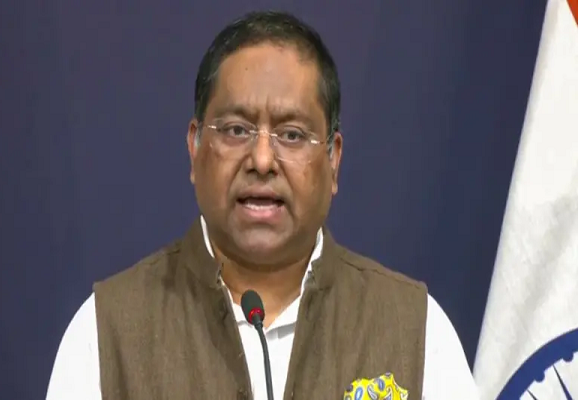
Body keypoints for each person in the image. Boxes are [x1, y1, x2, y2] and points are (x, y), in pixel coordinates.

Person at [46, 10, 478, 400]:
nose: (262, 160)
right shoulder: (106, 333)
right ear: (195, 148)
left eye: (292, 135)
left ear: (333, 160)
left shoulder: (414, 330)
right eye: (236, 130)